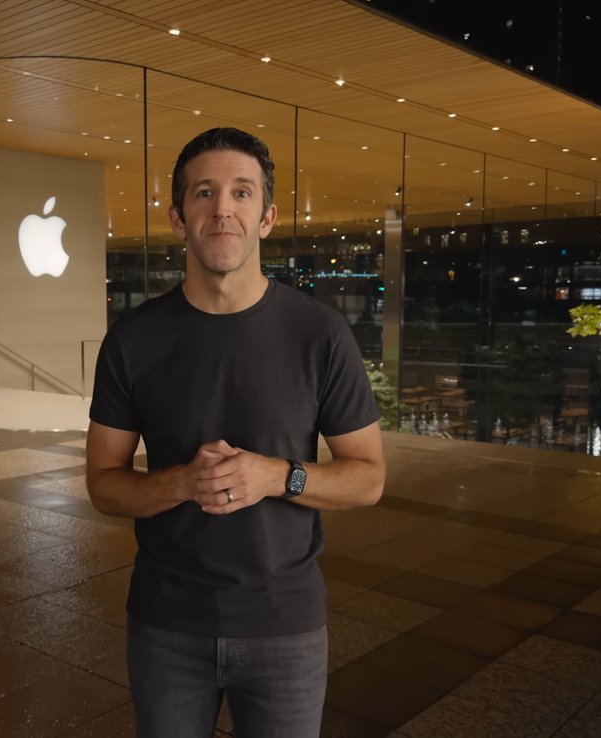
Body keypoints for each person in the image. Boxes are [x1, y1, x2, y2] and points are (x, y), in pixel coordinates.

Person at [85, 127, 386, 738]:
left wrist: (276, 476)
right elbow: (103, 484)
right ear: (179, 218)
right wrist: (181, 483)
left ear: (266, 217)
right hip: (166, 623)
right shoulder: (133, 340)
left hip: (286, 626)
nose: (223, 209)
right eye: (204, 192)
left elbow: (368, 478)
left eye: (242, 192)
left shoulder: (320, 334)